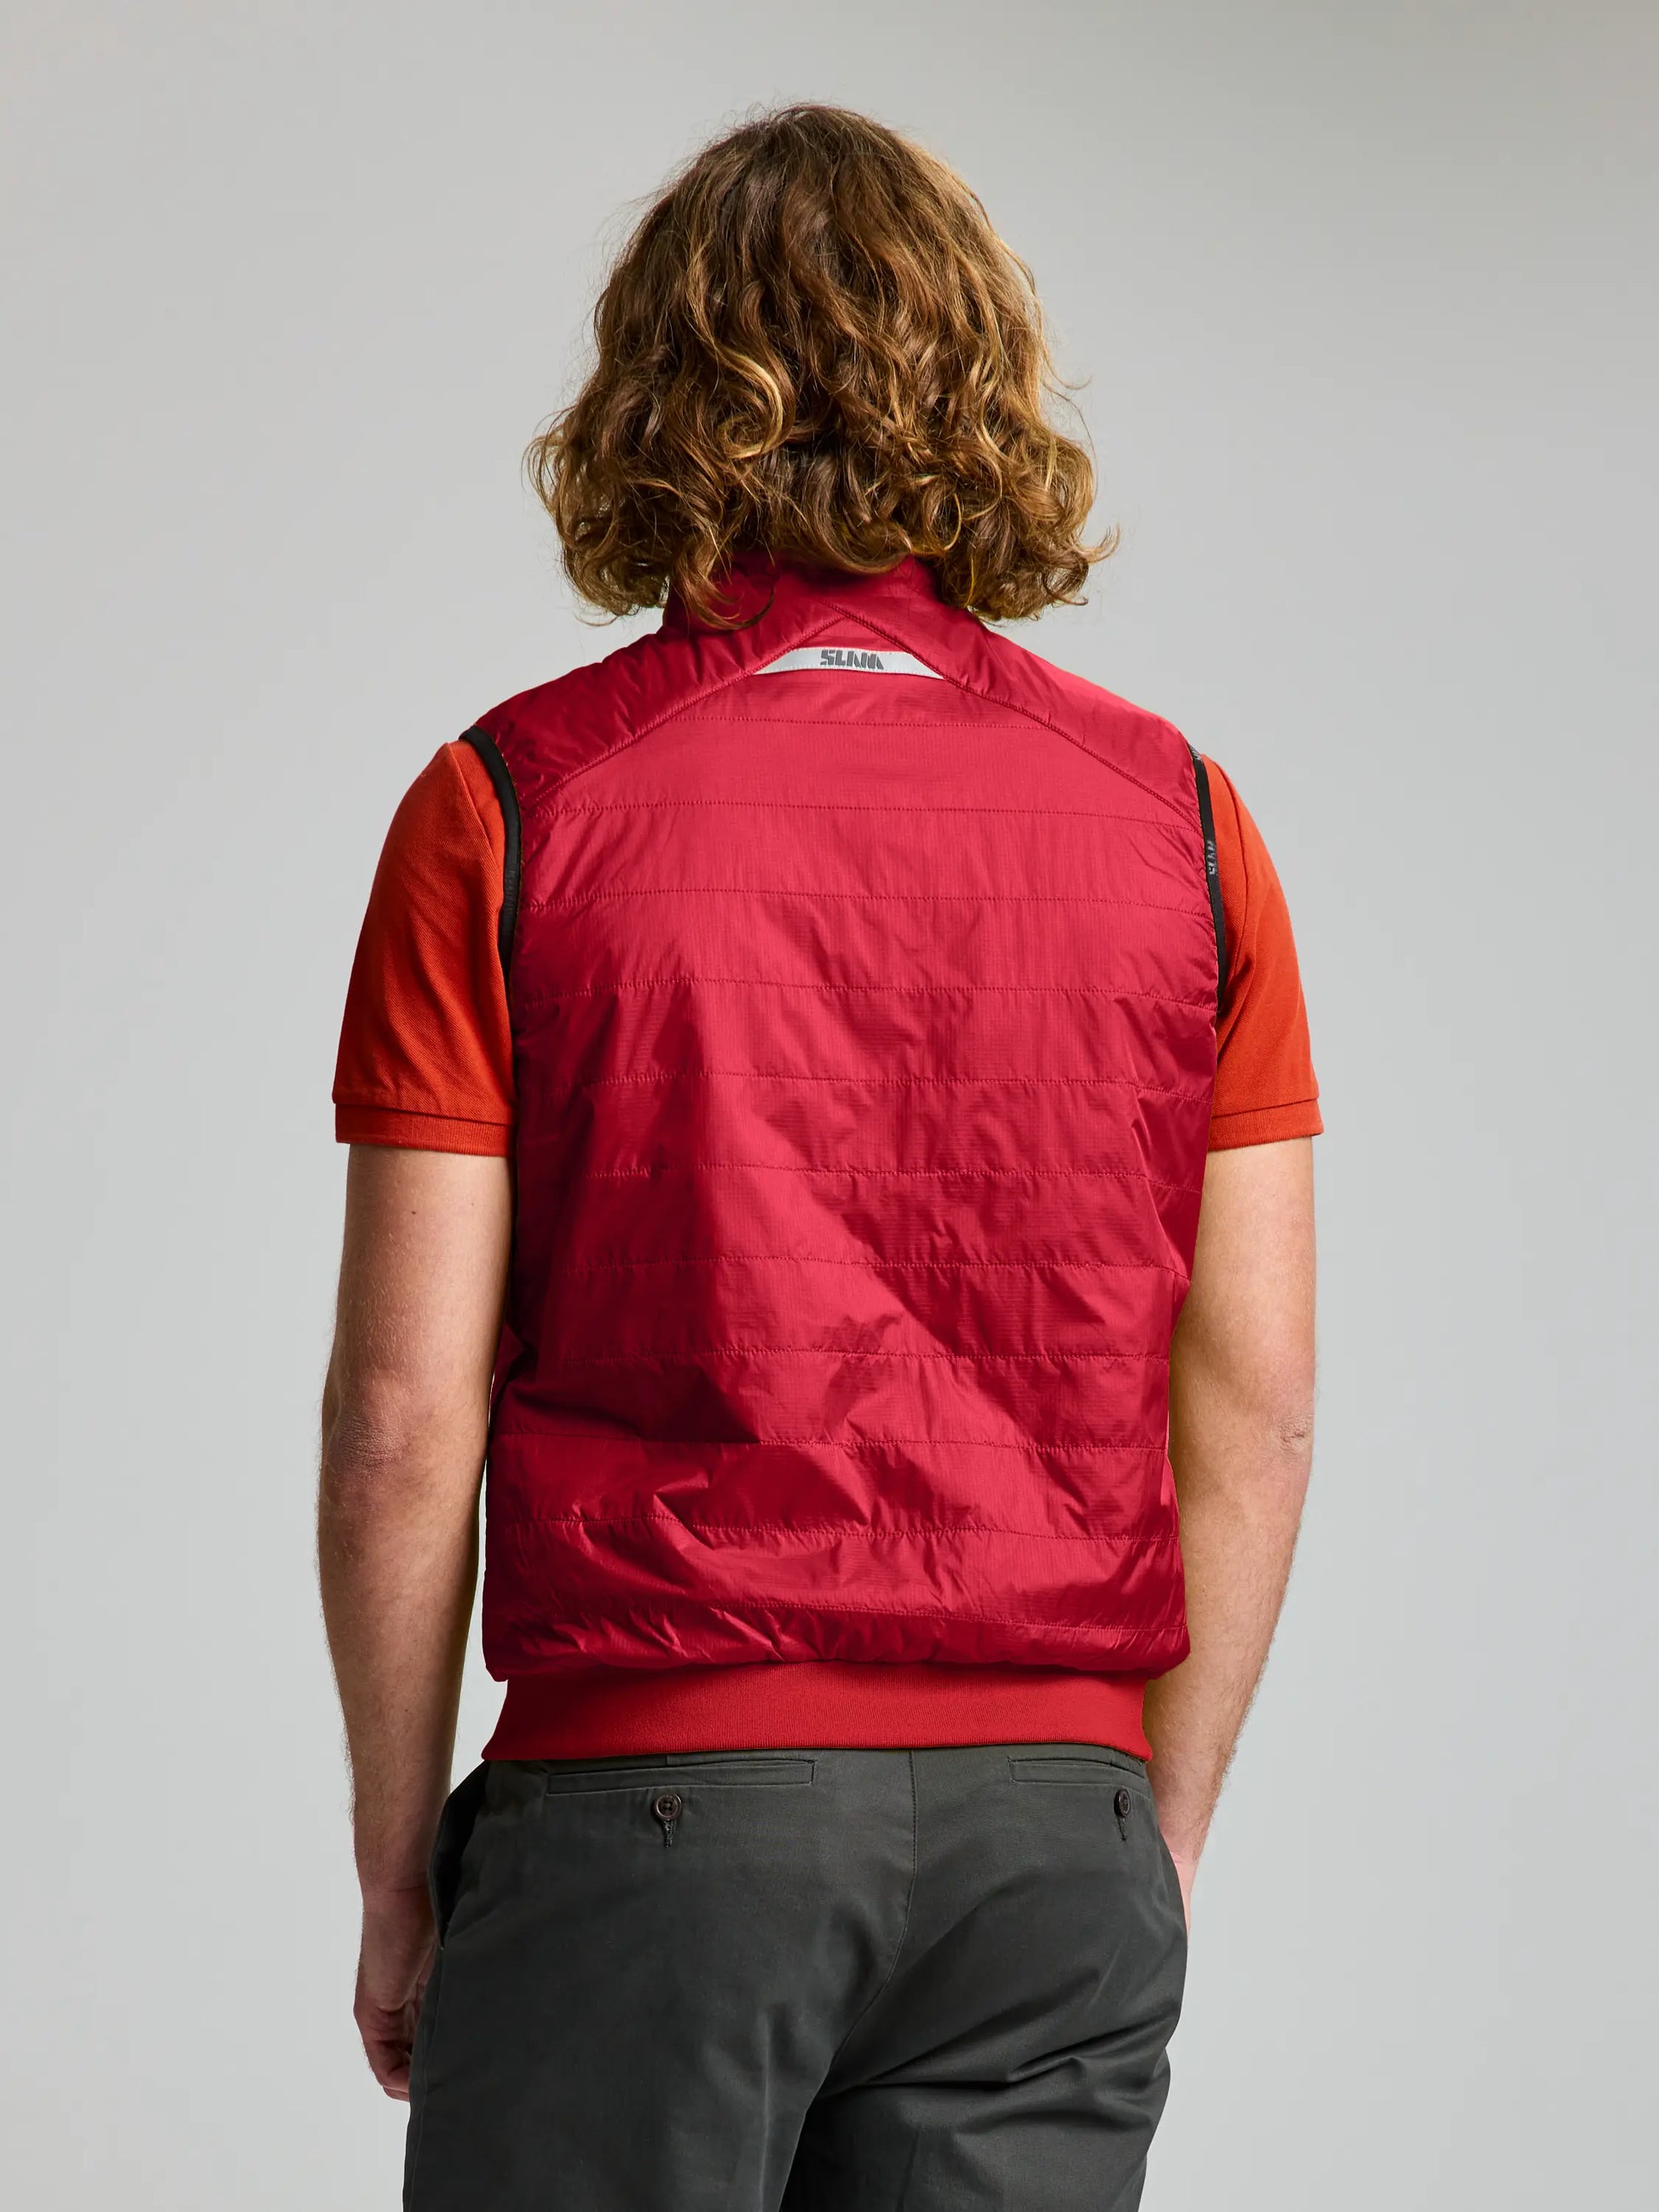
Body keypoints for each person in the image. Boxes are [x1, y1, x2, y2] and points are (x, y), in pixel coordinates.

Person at [319, 103, 1320, 2212]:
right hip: (1051, 1835)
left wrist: (399, 1865)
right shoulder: (1185, 825)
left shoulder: (508, 807)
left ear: (651, 392)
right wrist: (1149, 1817)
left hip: (650, 1819)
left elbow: (403, 1412)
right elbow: (1255, 1398)